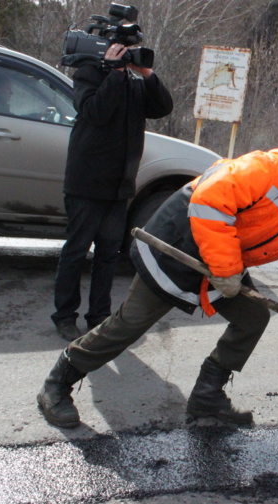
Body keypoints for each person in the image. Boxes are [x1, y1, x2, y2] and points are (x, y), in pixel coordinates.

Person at [37, 130, 278, 428]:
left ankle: (206, 398)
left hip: (220, 260)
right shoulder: (269, 169)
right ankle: (58, 382)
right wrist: (227, 270)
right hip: (177, 245)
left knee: (252, 317)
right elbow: (210, 201)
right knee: (129, 325)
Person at [51, 43, 173, 341]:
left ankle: (99, 317)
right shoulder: (89, 73)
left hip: (119, 184)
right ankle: (65, 316)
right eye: (123, 49)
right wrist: (114, 72)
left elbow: (162, 108)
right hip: (87, 182)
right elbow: (96, 112)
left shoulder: (135, 80)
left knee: (107, 255)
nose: (127, 54)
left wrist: (147, 74)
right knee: (76, 251)